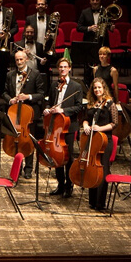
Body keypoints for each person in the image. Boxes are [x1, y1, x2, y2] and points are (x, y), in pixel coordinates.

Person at [43, 58, 83, 199]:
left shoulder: (76, 87)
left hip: (69, 126)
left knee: (68, 156)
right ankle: (60, 185)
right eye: (60, 67)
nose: (63, 69)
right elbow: (49, 102)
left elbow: (79, 106)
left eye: (65, 67)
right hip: (55, 126)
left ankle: (69, 185)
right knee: (56, 155)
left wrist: (62, 110)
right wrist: (47, 109)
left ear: (70, 69)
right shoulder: (55, 85)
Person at [2, 50, 46, 179]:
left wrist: (28, 96)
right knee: (16, 141)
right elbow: (4, 92)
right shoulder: (10, 75)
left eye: (21, 59)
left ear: (26, 59)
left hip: (29, 113)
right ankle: (18, 167)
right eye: (17, 60)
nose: (19, 62)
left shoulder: (35, 74)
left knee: (28, 142)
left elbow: (41, 94)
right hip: (15, 112)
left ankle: (28, 168)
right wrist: (10, 99)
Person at [81, 77, 119, 211]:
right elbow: (85, 119)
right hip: (92, 139)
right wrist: (86, 125)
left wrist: (99, 128)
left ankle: (100, 203)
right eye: (95, 88)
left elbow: (115, 123)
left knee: (102, 170)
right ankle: (92, 201)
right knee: (92, 168)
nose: (97, 90)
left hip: (104, 141)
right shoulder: (91, 103)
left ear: (104, 89)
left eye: (99, 88)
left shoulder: (110, 104)